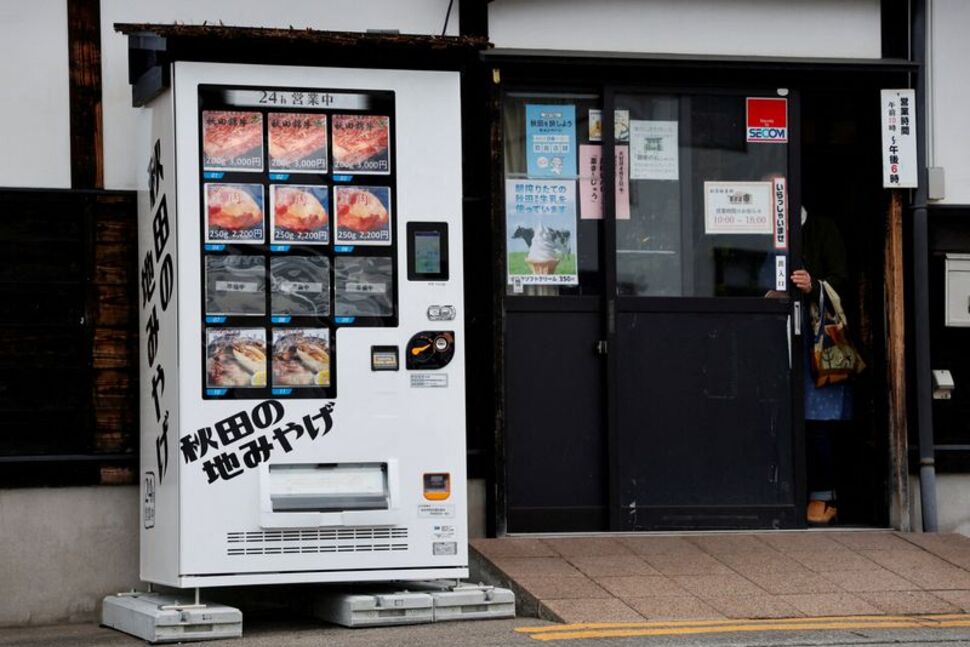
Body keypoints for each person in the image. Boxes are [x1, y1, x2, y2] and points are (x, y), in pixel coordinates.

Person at [790, 206, 851, 525]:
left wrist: (814, 285)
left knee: (817, 419)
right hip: (774, 335)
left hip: (817, 337)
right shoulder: (759, 226)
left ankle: (823, 495)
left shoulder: (822, 227)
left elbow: (842, 280)